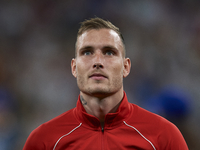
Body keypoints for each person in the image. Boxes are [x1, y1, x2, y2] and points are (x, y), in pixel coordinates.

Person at [23, 17, 188, 150]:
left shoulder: (163, 136)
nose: (97, 62)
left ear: (125, 67)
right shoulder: (44, 141)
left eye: (109, 52)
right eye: (87, 52)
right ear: (74, 67)